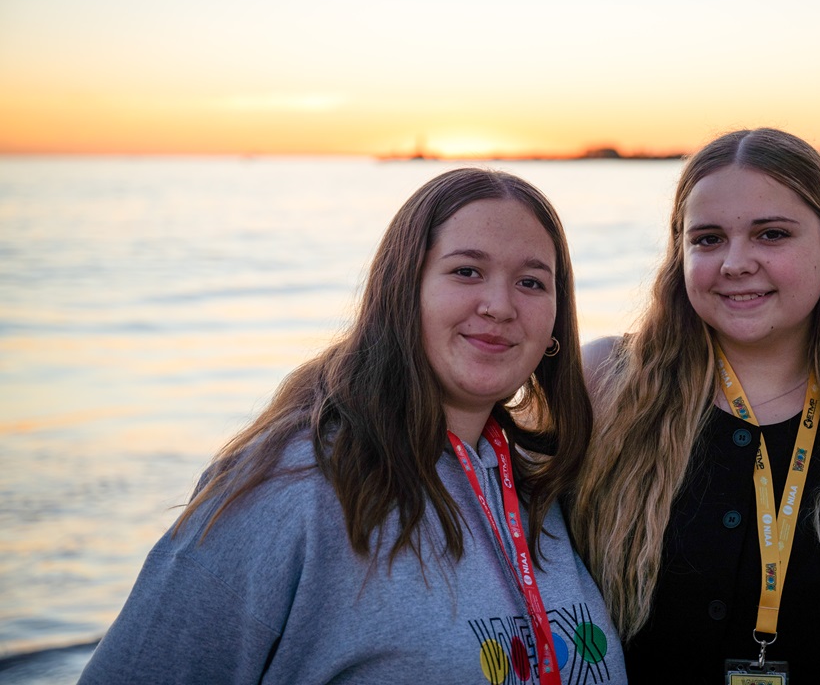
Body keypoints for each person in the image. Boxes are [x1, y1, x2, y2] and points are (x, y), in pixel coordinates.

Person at [80, 168, 627, 685]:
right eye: (466, 271)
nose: (500, 306)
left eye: (531, 282)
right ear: (402, 291)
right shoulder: (293, 490)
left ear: (557, 320)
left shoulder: (545, 487)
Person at [571, 128, 820, 683]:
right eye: (707, 239)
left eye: (771, 234)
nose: (735, 262)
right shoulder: (606, 386)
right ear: (678, 256)